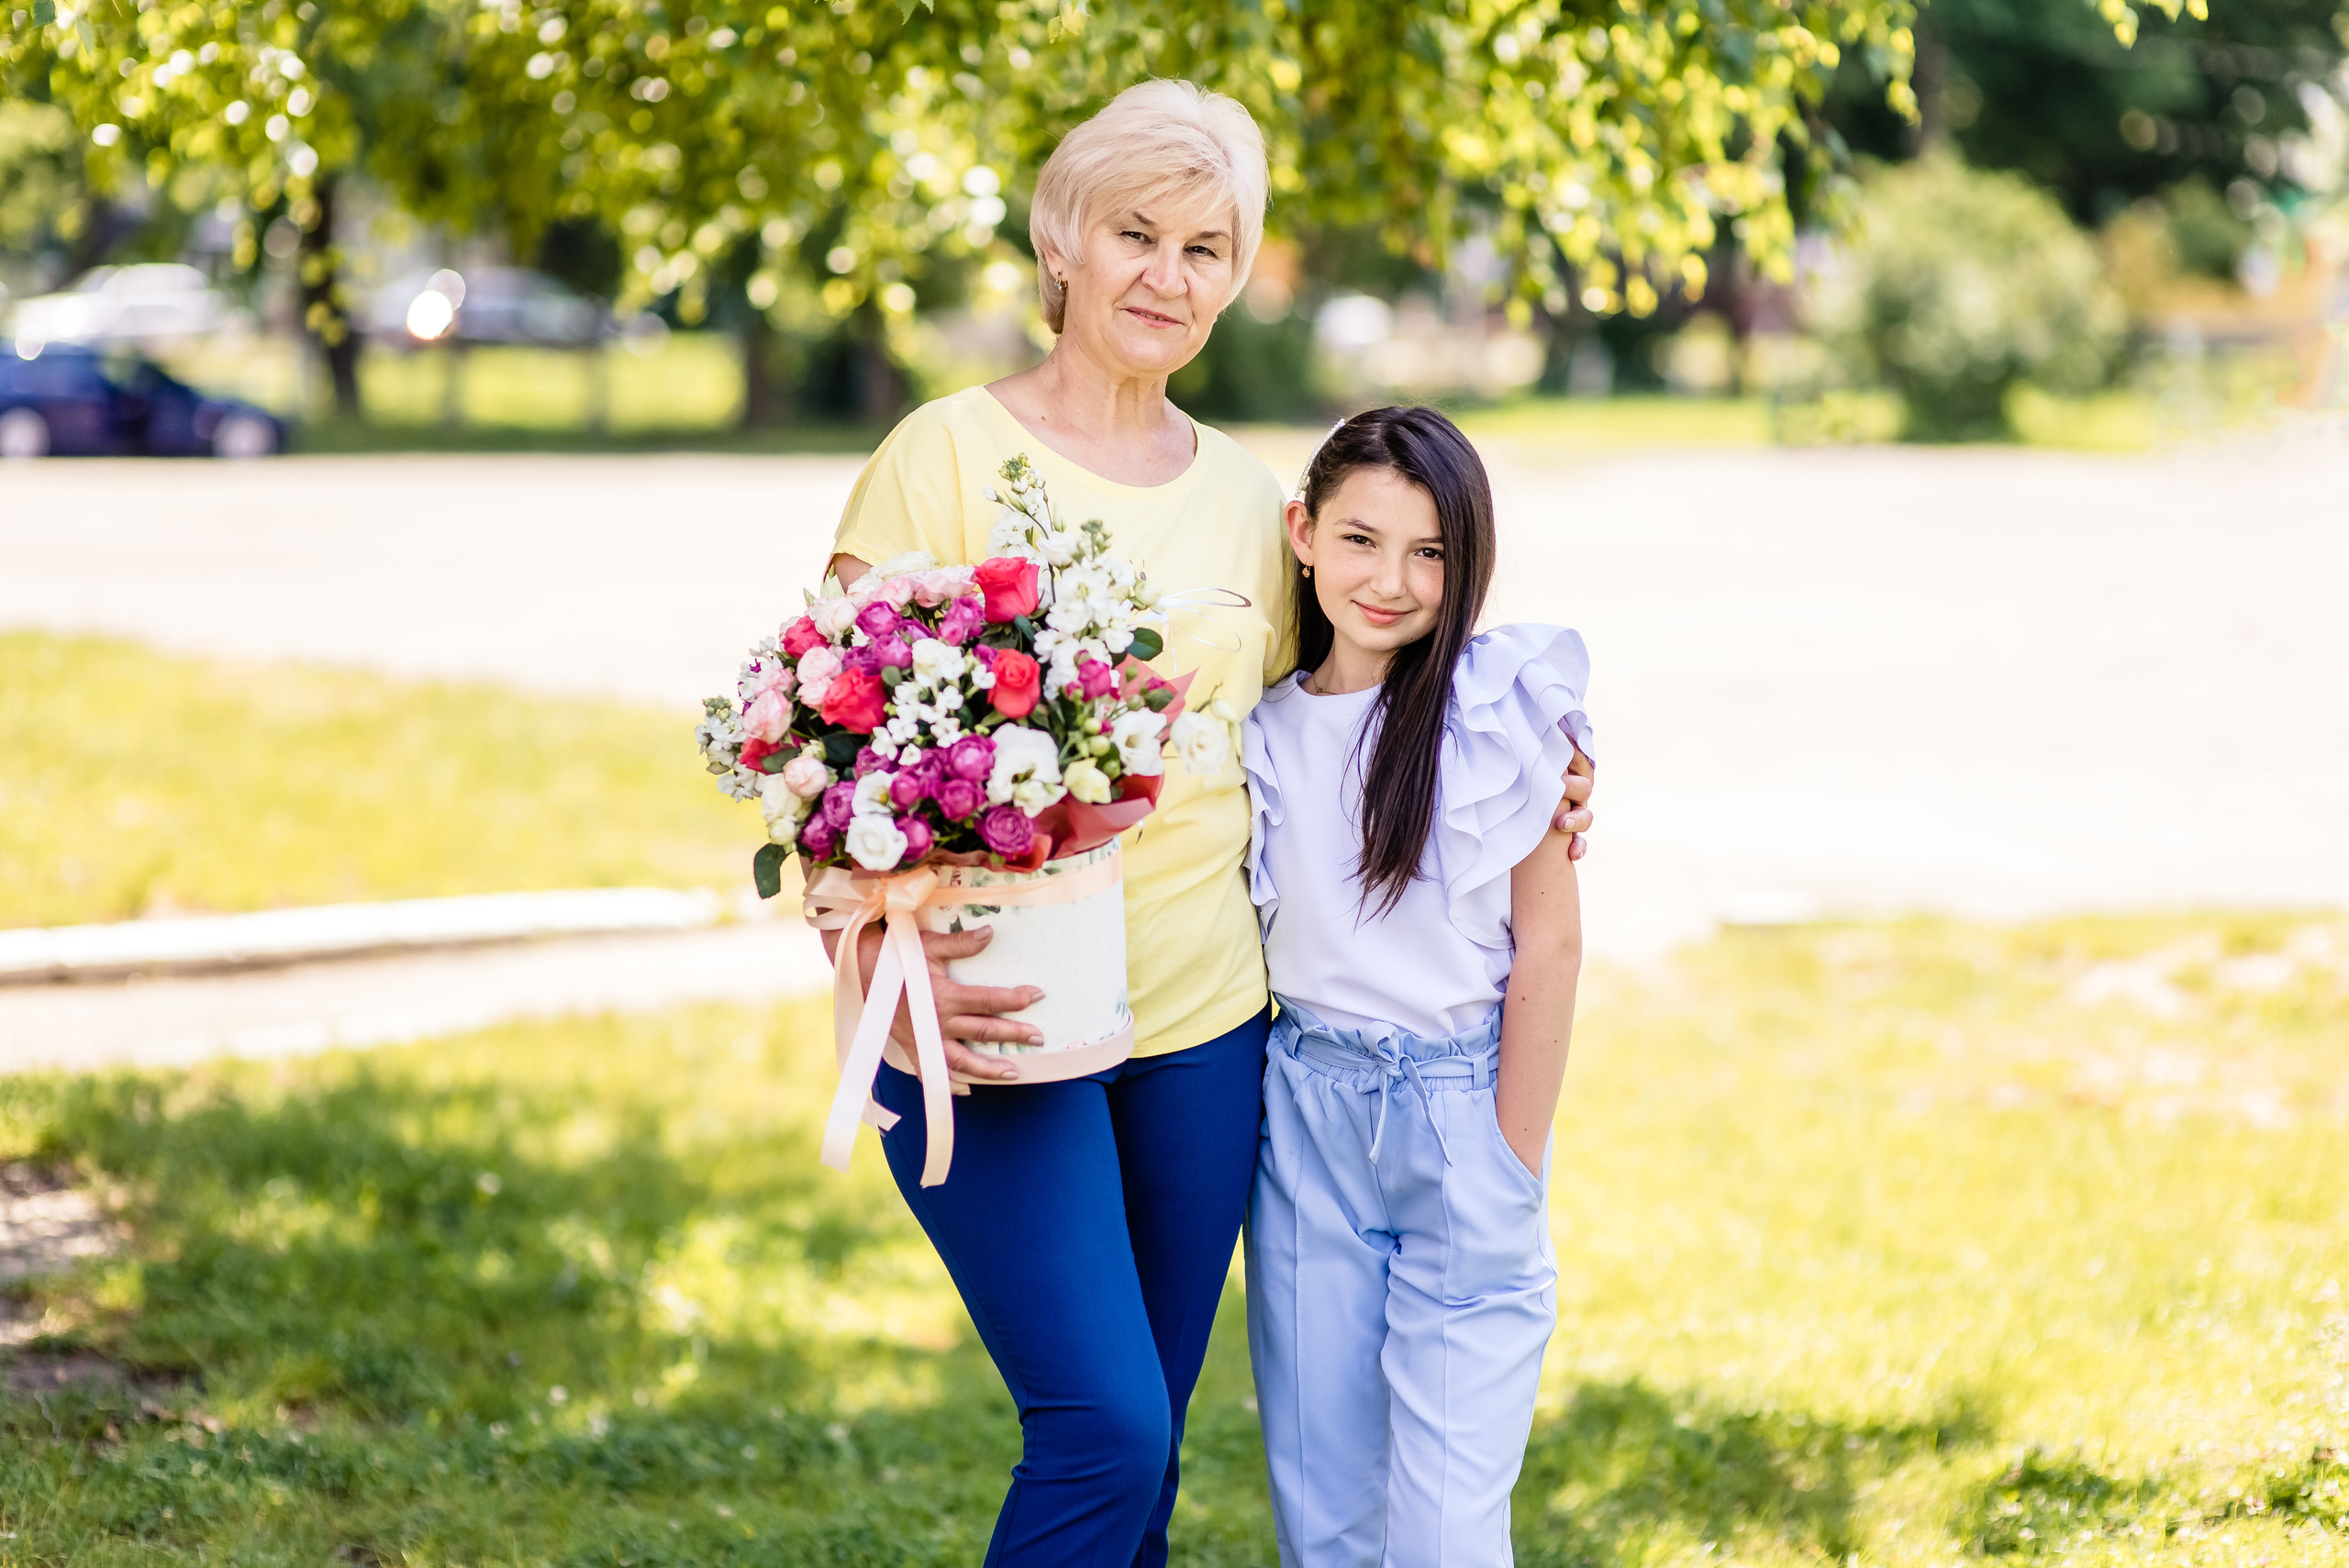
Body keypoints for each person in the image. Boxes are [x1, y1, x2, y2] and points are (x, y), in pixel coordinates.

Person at [821, 81, 1595, 1567]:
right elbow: (831, 747)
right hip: (989, 1014)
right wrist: (871, 969)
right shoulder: (943, 456)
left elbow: (1388, 662)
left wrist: (1552, 768)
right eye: (1136, 233)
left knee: (1151, 1449)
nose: (1167, 277)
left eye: (1205, 248)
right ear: (1063, 241)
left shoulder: (1255, 501)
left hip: (1206, 1025)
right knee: (1103, 1425)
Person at [1241, 406, 1588, 1568]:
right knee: (1325, 1506)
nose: (1391, 580)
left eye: (1430, 551)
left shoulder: (1498, 711)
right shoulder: (1258, 724)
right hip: (1304, 1121)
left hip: (1457, 1113)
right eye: (1360, 539)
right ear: (1301, 532)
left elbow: (1549, 946)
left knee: (1444, 1530)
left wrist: (1509, 1154)